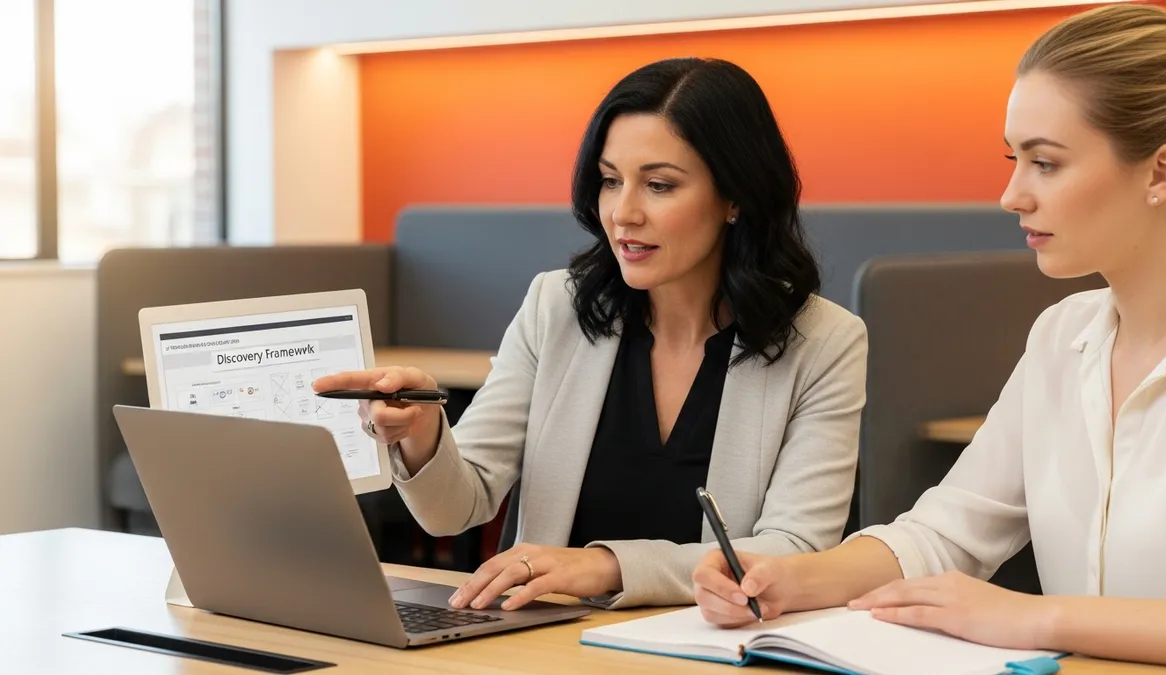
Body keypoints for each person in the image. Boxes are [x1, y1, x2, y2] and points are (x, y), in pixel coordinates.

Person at [691, 4, 1166, 668]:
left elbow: (1026, 611)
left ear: (1162, 173)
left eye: (1045, 163)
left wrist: (1036, 616)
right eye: (1014, 159)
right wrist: (788, 578)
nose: (1012, 194)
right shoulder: (1061, 338)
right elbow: (943, 533)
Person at [314, 57, 867, 611]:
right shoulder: (555, 307)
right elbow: (456, 507)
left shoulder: (825, 342)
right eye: (609, 181)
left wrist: (605, 565)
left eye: (658, 185)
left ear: (734, 198)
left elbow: (793, 553)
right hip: (546, 642)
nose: (623, 213)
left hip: (711, 645)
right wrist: (423, 430)